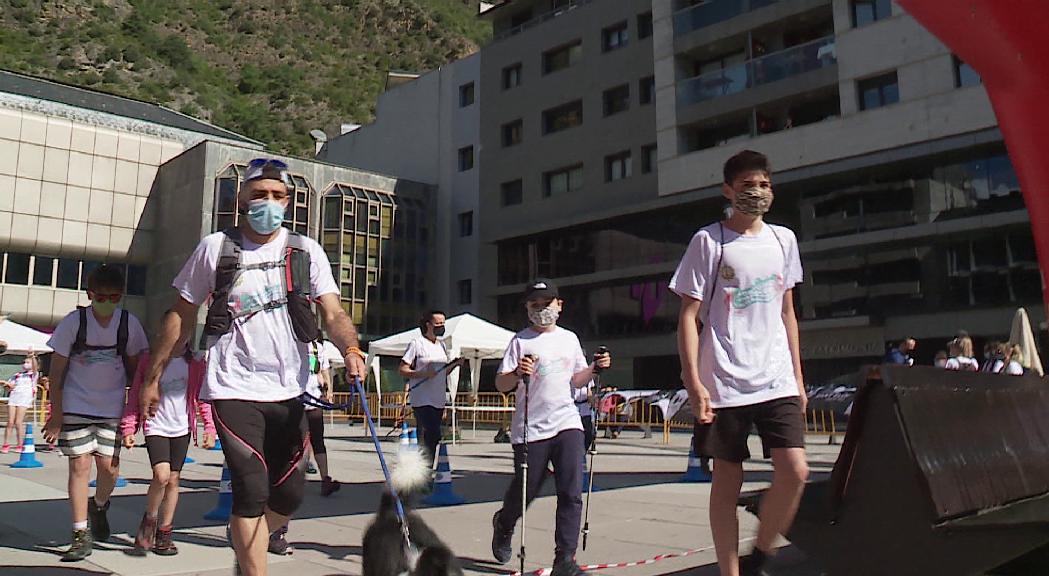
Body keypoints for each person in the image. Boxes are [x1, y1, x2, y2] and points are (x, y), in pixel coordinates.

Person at [141, 158, 368, 576]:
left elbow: (333, 313)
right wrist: (152, 379)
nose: (268, 202)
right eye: (259, 194)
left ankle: (247, 542)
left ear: (289, 202)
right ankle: (253, 565)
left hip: (290, 390)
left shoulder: (305, 251)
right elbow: (180, 314)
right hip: (233, 388)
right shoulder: (216, 247)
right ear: (241, 199)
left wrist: (352, 349)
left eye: (277, 195)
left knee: (291, 495)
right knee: (251, 489)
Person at [671, 150, 808, 576]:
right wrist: (694, 381)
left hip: (776, 378)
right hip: (724, 381)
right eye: (748, 184)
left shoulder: (784, 240)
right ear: (728, 190)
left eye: (764, 184)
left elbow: (788, 313)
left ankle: (761, 555)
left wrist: (800, 380)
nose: (757, 192)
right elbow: (688, 317)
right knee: (727, 482)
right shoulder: (709, 241)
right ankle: (730, 572)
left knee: (795, 470)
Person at [490, 278, 611, 576]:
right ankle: (504, 523)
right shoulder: (520, 341)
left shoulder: (568, 339)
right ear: (527, 308)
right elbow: (501, 383)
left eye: (547, 304)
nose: (542, 310)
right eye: (535, 305)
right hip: (531, 428)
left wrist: (595, 368)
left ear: (560, 305)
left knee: (571, 491)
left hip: (567, 421)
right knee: (526, 490)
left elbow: (576, 380)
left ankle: (564, 559)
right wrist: (518, 373)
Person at [41, 264, 150, 562]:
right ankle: (80, 533)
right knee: (79, 467)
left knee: (109, 468)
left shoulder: (128, 324)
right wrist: (56, 414)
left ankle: (99, 505)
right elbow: (57, 370)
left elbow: (135, 371)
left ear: (120, 296)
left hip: (112, 408)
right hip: (76, 404)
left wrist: (136, 412)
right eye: (101, 296)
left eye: (113, 297)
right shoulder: (73, 323)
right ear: (90, 295)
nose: (106, 302)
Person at [121, 331, 216, 555]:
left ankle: (165, 532)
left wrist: (209, 427)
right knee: (161, 475)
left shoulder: (194, 364)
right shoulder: (149, 361)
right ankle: (150, 518)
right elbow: (137, 394)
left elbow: (201, 397)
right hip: (156, 425)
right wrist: (129, 426)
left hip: (182, 427)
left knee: (173, 480)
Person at [399, 311, 463, 467]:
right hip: (422, 399)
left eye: (443, 324)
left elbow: (441, 373)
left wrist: (454, 364)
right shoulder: (417, 344)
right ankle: (422, 470)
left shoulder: (441, 345)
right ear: (428, 325)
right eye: (438, 324)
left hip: (438, 399)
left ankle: (426, 469)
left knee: (434, 437)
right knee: (428, 433)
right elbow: (402, 369)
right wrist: (422, 373)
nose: (441, 327)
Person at [304, 345, 341, 496]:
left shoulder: (317, 348)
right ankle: (292, 480)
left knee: (318, 440)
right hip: (294, 399)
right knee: (297, 441)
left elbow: (324, 369)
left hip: (314, 400)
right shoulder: (291, 340)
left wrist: (328, 389)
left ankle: (325, 479)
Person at [2, 352, 39, 453]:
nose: (25, 364)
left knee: (18, 422)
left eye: (28, 362)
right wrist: (6, 384)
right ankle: (6, 444)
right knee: (10, 422)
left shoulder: (33, 375)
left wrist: (32, 357)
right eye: (24, 362)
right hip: (14, 397)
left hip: (24, 399)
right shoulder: (17, 375)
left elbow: (35, 368)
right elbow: (11, 386)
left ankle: (20, 445)